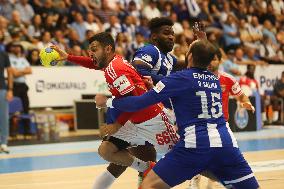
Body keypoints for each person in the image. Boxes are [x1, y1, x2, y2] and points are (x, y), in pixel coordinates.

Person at [96, 40, 259, 189]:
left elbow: (139, 103)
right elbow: (180, 100)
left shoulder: (178, 79)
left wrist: (110, 102)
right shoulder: (215, 80)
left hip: (195, 144)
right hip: (226, 142)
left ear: (190, 56)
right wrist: (157, 87)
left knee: (149, 185)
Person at [51, 32, 179, 189]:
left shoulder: (115, 69)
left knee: (185, 158)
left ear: (108, 49)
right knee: (106, 150)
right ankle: (147, 169)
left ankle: (211, 173)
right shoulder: (113, 62)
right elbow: (93, 63)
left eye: (94, 49)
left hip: (154, 121)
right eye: (89, 50)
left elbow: (134, 104)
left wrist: (116, 123)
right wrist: (68, 57)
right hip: (134, 122)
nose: (90, 53)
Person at [195, 48, 255, 189]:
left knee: (227, 154)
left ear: (220, 61)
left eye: (214, 59)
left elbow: (241, 95)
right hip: (200, 123)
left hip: (222, 124)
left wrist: (246, 102)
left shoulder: (227, 79)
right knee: (197, 153)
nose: (211, 62)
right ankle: (195, 180)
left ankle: (213, 182)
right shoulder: (196, 78)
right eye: (209, 58)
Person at [8, 43, 32, 136]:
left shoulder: (23, 59)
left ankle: (27, 130)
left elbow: (30, 71)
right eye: (15, 48)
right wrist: (23, 71)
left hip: (23, 85)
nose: (17, 49)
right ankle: (12, 131)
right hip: (14, 85)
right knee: (12, 109)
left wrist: (19, 71)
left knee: (26, 107)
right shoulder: (10, 59)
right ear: (12, 49)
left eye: (19, 48)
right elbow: (13, 73)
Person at [0, 47, 13, 153]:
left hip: (1, 89)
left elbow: (10, 72)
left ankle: (3, 143)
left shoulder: (3, 54)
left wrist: (10, 89)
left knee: (3, 117)